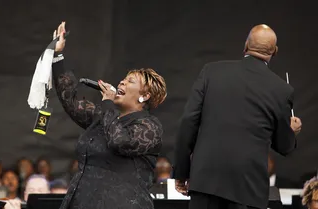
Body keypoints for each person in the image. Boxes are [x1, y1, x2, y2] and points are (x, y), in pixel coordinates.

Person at [173, 24, 302, 209]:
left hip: (206, 181)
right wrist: (291, 131)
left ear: (246, 45)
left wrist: (181, 172)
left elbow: (188, 122)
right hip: (248, 189)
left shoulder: (211, 72)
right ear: (275, 51)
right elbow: (283, 145)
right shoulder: (282, 89)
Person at [51, 22, 167, 209]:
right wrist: (57, 56)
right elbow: (70, 101)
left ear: (144, 96)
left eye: (130, 81)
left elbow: (119, 142)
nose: (122, 81)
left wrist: (108, 103)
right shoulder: (102, 116)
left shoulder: (149, 126)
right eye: (124, 78)